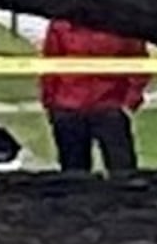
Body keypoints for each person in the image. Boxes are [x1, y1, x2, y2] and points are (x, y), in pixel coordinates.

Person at [37, 16, 148, 173]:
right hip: (68, 108)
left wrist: (130, 100)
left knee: (123, 171)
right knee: (74, 173)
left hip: (109, 106)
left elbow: (139, 64)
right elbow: (50, 63)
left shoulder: (124, 24)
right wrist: (50, 101)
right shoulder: (61, 25)